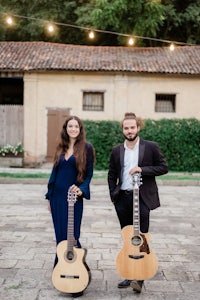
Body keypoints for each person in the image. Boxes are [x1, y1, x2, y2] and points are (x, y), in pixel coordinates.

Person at [108, 112, 168, 293]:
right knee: (127, 238)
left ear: (138, 127)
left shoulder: (150, 147)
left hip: (142, 199)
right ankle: (129, 272)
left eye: (132, 127)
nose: (129, 130)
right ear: (123, 129)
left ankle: (140, 276)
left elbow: (163, 167)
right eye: (126, 128)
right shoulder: (117, 150)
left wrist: (142, 169)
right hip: (123, 199)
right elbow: (111, 174)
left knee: (141, 237)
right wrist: (114, 195)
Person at [45, 115, 95, 298]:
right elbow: (54, 173)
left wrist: (82, 189)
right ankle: (60, 269)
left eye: (76, 126)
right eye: (70, 126)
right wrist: (49, 197)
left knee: (72, 235)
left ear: (80, 129)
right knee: (60, 235)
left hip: (73, 199)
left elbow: (89, 174)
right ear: (66, 128)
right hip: (57, 197)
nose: (73, 129)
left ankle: (78, 273)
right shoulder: (61, 147)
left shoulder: (87, 148)